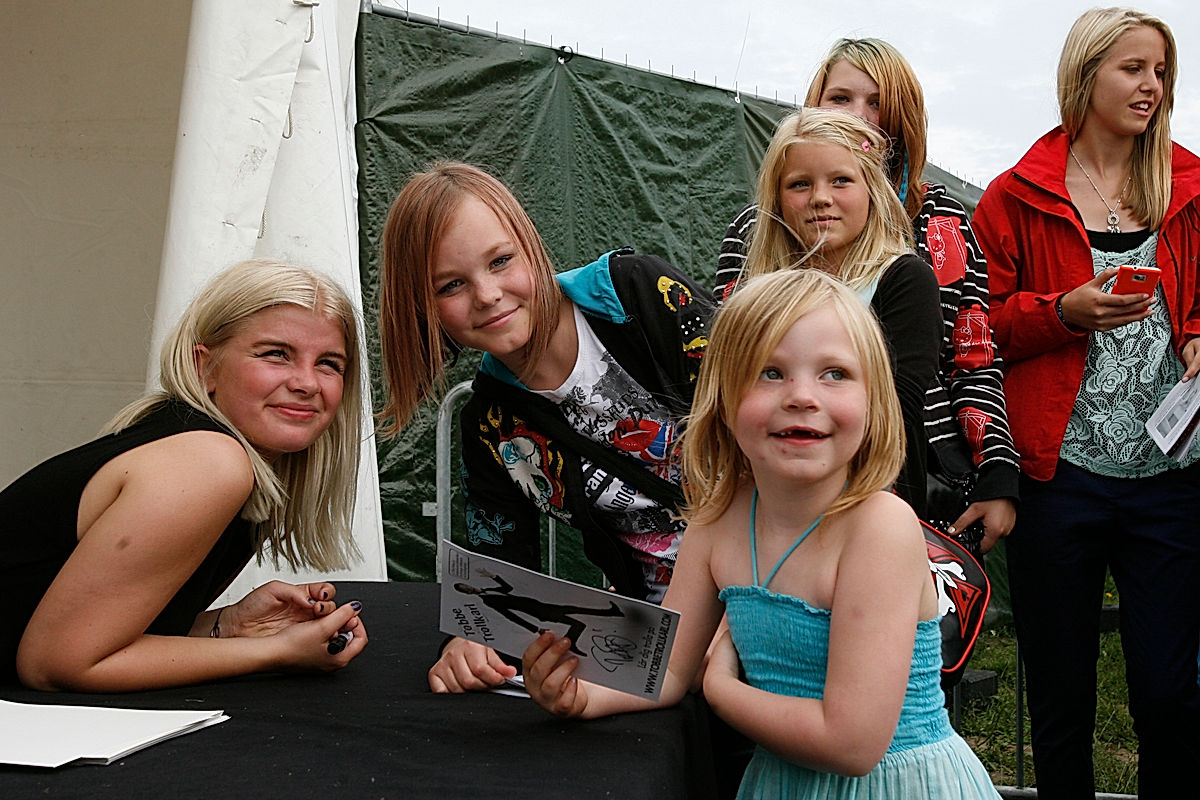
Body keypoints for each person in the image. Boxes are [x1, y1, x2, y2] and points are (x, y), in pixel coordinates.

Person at [522, 268, 999, 799]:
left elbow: (852, 745)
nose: (801, 395)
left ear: (874, 401)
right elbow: (668, 670)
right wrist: (583, 695)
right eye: (769, 373)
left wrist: (722, 689)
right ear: (723, 400)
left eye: (835, 373)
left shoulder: (879, 528)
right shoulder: (716, 522)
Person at [972, 8, 1200, 797]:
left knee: (1170, 694)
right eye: (1133, 68)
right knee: (1061, 695)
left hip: (1172, 477)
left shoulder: (1191, 183)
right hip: (1056, 479)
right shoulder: (1014, 197)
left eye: (1161, 71)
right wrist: (1060, 313)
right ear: (1085, 73)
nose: (1151, 86)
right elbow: (978, 330)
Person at [375, 161, 712, 693]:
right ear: (422, 309)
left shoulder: (639, 295)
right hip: (657, 654)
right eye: (451, 285)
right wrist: (471, 640)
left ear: (531, 246)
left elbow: (765, 426)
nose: (486, 294)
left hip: (769, 601)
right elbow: (497, 571)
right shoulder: (489, 426)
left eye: (501, 260)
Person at [1, 259, 369, 691]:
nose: (307, 383)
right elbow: (57, 663)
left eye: (329, 363)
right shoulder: (209, 463)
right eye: (275, 354)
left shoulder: (226, 454)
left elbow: (85, 631)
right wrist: (277, 651)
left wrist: (226, 625)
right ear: (204, 367)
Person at [715, 38, 1018, 554]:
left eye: (877, 102)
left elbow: (973, 358)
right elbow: (726, 361)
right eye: (841, 99)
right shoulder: (758, 230)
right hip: (776, 476)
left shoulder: (941, 223)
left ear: (903, 117)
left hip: (913, 471)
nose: (861, 115)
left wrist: (997, 469)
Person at [714, 106, 941, 517]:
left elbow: (897, 420)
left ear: (871, 188)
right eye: (800, 184)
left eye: (841, 180)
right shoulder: (757, 290)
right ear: (776, 198)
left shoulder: (904, 279)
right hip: (765, 507)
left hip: (869, 506)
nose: (820, 198)